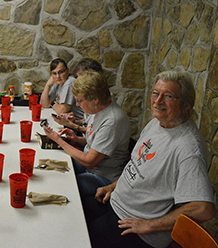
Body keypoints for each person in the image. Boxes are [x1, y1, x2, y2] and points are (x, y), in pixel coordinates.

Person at [86, 71, 215, 248]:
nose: (158, 101)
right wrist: (112, 186)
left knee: (76, 237)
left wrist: (149, 225)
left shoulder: (188, 148)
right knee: (71, 210)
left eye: (168, 96)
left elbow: (204, 209)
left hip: (135, 228)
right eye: (155, 94)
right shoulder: (157, 123)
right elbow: (139, 166)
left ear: (186, 105)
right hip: (115, 202)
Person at [44, 71, 130, 200]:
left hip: (103, 176)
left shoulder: (112, 120)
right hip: (91, 167)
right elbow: (96, 143)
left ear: (95, 99)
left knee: (64, 185)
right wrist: (77, 139)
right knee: (52, 169)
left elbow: (90, 162)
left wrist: (58, 140)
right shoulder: (97, 109)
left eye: (79, 101)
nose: (77, 105)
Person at [52, 58, 104, 134]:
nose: (78, 81)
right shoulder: (91, 96)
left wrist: (73, 126)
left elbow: (92, 135)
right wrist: (76, 122)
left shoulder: (102, 101)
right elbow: (89, 121)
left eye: (81, 77)